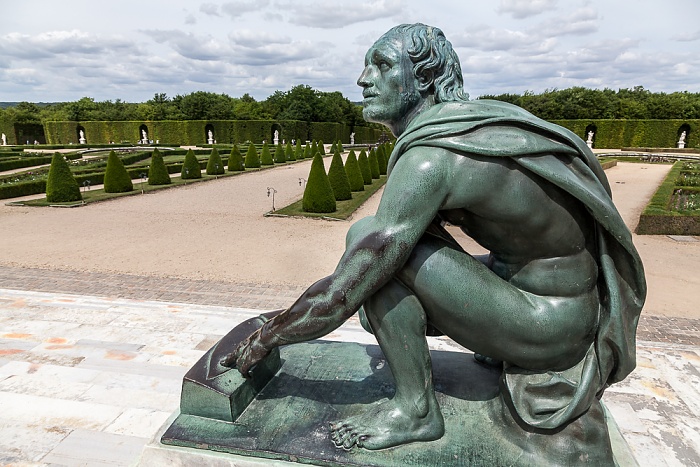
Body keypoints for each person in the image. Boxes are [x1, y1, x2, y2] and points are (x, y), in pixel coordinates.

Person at [224, 23, 645, 451]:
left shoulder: (433, 157)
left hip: (550, 327)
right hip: (558, 306)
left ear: (423, 78)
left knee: (376, 252)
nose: (363, 79)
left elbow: (344, 292)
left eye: (382, 65)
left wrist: (268, 335)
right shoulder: (472, 124)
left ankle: (415, 411)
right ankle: (470, 357)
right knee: (376, 257)